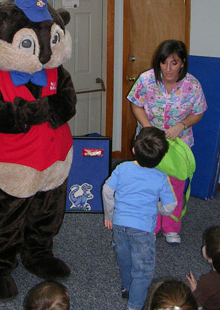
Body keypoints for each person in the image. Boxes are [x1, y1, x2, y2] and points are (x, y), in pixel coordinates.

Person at [127, 40, 207, 245]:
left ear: (182, 63)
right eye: (164, 63)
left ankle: (171, 227)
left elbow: (198, 112)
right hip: (150, 144)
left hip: (178, 145)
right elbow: (136, 105)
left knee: (174, 188)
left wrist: (181, 125)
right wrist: (147, 128)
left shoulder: (192, 85)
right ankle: (150, 225)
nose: (168, 69)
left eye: (174, 63)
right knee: (149, 186)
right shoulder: (146, 79)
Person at [102, 127, 177, 310]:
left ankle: (127, 287)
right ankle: (134, 306)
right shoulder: (161, 178)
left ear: (134, 150)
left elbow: (107, 191)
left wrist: (109, 215)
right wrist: (158, 209)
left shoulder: (122, 168)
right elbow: (170, 206)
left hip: (120, 224)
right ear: (162, 157)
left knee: (125, 258)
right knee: (143, 269)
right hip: (143, 231)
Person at [186, 225, 220, 310]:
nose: (203, 247)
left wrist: (195, 291)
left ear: (210, 259)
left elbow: (196, 304)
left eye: (205, 245)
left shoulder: (208, 282)